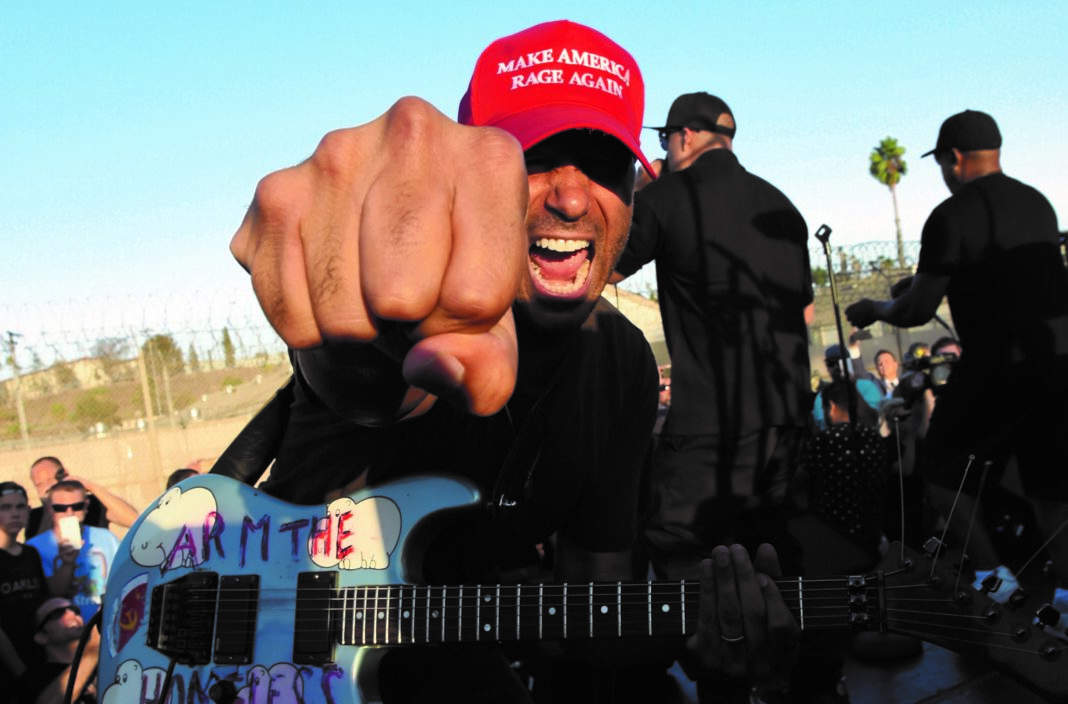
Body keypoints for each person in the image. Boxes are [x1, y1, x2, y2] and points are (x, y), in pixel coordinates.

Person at [225, 21, 800, 703]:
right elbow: (356, 370)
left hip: (445, 660)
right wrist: (353, 297)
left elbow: (596, 612)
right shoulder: (413, 308)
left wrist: (707, 635)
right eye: (536, 156)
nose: (572, 196)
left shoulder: (620, 366)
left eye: (603, 163)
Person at [845, 109, 1068, 631]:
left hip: (994, 368)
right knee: (1052, 491)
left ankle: (998, 585)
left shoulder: (951, 215)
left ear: (954, 158)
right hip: (1056, 364)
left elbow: (918, 309)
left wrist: (877, 308)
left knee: (943, 476)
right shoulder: (1037, 202)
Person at [610, 91, 813, 579]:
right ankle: (786, 649)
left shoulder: (666, 196)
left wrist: (636, 194)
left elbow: (605, 270)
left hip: (711, 418)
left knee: (677, 543)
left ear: (684, 136)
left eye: (665, 137)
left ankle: (715, 649)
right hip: (788, 414)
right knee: (772, 547)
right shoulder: (781, 204)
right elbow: (803, 314)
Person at [27, 480, 120, 625]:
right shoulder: (34, 548)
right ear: (49, 509)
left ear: (86, 506)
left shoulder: (107, 538)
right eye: (60, 508)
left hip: (109, 623)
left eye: (77, 506)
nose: (69, 512)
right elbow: (48, 597)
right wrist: (67, 563)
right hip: (66, 631)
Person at [0, 482, 50, 702]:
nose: (14, 514)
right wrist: (20, 670)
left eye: (20, 507)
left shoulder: (30, 554)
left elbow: (45, 601)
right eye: (5, 507)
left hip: (38, 655)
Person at [25, 457, 139, 539]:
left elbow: (133, 520)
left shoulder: (91, 504)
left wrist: (91, 487)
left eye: (50, 480)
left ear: (64, 475)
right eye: (39, 484)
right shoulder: (35, 518)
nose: (47, 487)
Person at [14, 598, 98, 704]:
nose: (71, 613)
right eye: (57, 613)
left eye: (75, 610)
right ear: (41, 636)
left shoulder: (102, 664)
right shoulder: (32, 679)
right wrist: (93, 649)